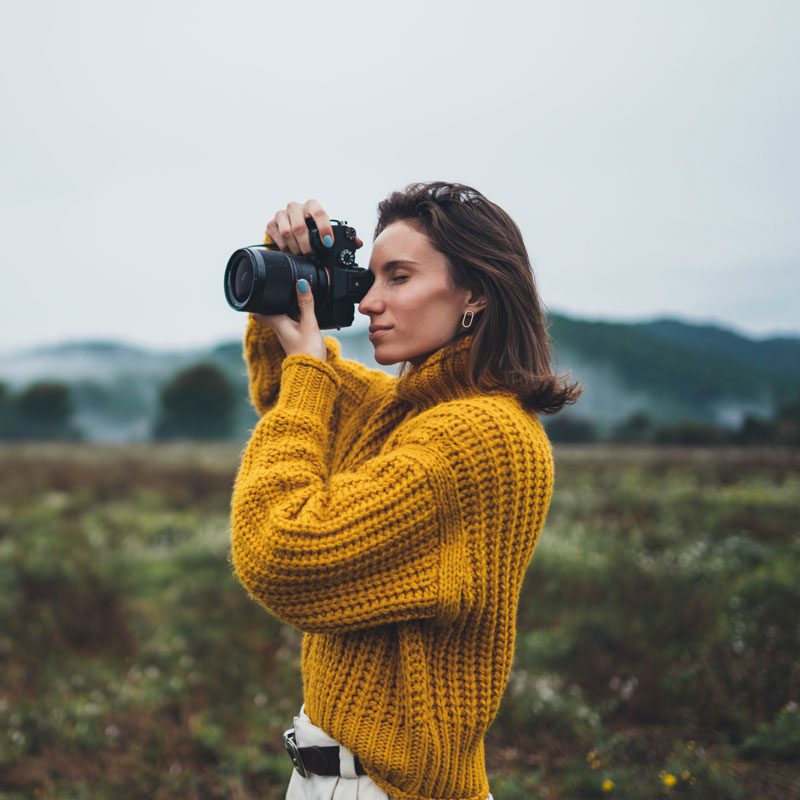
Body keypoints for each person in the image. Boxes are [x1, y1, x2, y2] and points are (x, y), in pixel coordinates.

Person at [230, 182, 582, 800]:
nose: (369, 302)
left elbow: (281, 551)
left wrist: (309, 370)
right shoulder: (410, 412)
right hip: (331, 776)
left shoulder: (481, 437)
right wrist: (287, 279)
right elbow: (289, 409)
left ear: (474, 292)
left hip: (387, 788)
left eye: (398, 278)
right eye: (369, 279)